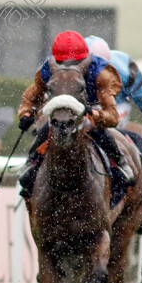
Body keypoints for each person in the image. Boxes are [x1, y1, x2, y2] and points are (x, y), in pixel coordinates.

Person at [17, 30, 127, 198]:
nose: (67, 67)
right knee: (45, 130)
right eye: (61, 63)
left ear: (84, 60)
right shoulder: (47, 70)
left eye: (74, 62)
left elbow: (113, 117)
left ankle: (120, 164)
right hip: (60, 112)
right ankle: (31, 164)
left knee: (100, 132)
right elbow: (31, 97)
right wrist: (26, 115)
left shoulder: (101, 71)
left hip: (91, 108)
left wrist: (93, 113)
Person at [84, 35, 142, 133]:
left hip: (118, 105)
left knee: (105, 129)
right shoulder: (75, 68)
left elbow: (139, 95)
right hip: (88, 106)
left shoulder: (123, 70)